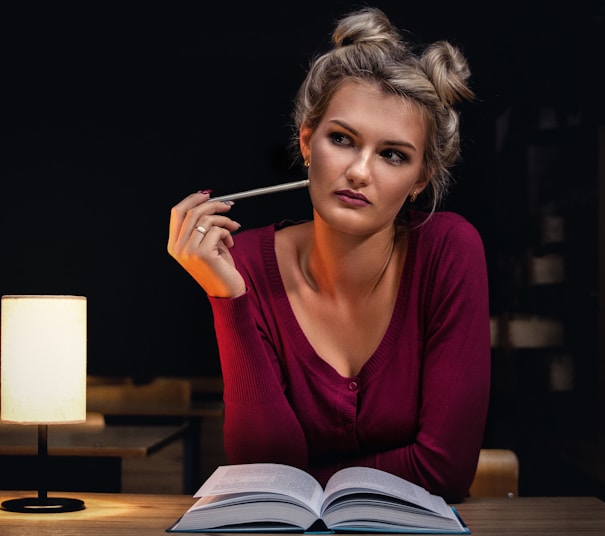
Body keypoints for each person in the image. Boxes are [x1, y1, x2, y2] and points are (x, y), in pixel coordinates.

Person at [167, 6, 490, 503]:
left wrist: (310, 481)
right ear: (307, 143)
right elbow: (262, 474)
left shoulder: (449, 251)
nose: (360, 172)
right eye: (342, 140)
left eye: (393, 155)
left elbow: (444, 470)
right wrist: (228, 296)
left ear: (420, 179)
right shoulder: (243, 263)